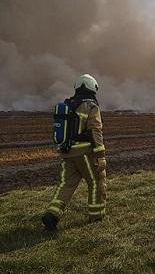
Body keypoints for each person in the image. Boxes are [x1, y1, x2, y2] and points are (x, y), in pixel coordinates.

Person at [42, 74, 107, 231]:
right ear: (92, 88)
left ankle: (52, 215)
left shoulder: (68, 105)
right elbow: (95, 131)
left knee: (66, 185)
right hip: (85, 153)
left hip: (67, 153)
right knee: (96, 182)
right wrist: (100, 156)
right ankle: (96, 217)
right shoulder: (91, 106)